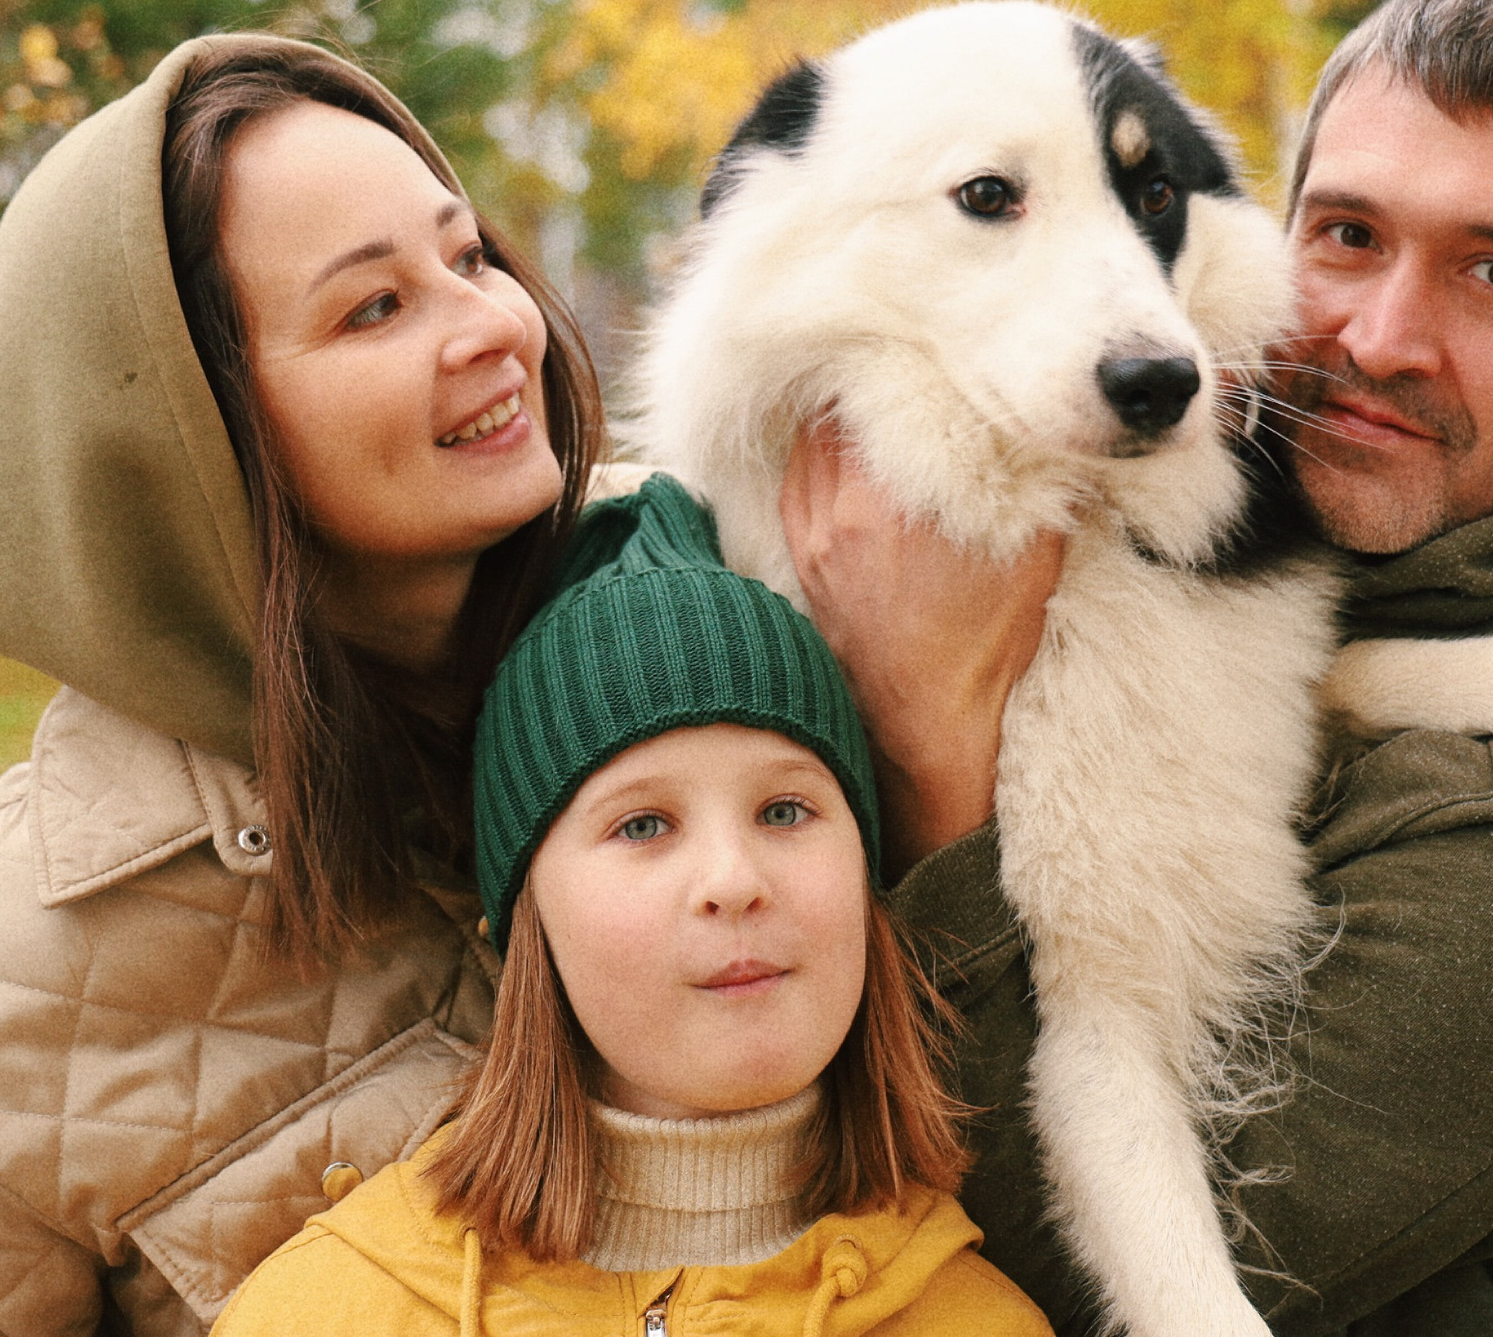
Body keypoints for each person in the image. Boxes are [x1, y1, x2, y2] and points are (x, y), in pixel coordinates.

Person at [784, 0, 1493, 1333]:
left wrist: (926, 726)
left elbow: (1035, 1268)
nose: (1381, 335)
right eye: (1345, 235)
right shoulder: (1254, 551)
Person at [0, 35, 604, 1334]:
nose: (494, 325)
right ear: (184, 441)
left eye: (467, 256)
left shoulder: (717, 631)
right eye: (374, 307)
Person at [212, 475, 1050, 1336]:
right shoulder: (324, 1310)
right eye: (644, 823)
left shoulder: (982, 1321)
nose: (733, 877)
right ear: (525, 917)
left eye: (785, 810)